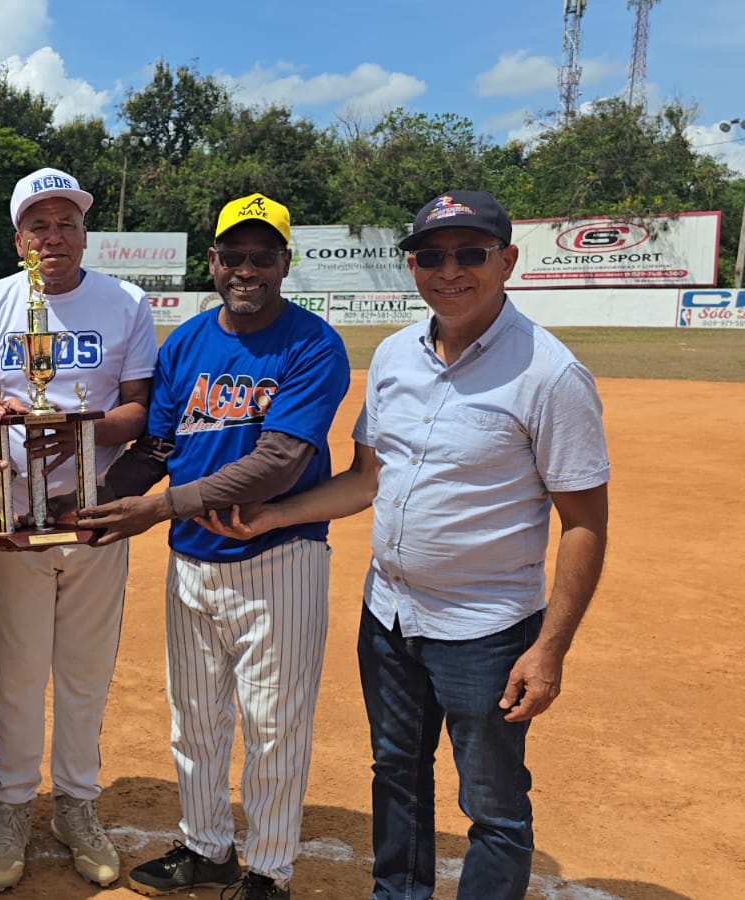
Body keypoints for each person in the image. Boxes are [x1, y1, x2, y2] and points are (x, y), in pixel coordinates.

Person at [203, 190, 611, 900]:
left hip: (486, 631)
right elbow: (366, 480)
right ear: (413, 265)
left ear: (507, 260)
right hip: (389, 616)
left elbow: (585, 523)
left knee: (493, 806)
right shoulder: (395, 356)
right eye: (430, 255)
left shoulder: (551, 374)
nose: (448, 270)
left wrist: (549, 649)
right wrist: (273, 515)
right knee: (396, 773)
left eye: (469, 253)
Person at [76, 194, 350, 900]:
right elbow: (160, 444)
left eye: (264, 257)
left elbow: (281, 460)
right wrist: (88, 505)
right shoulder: (188, 342)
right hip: (190, 559)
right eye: (234, 256)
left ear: (286, 263)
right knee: (194, 719)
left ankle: (268, 870)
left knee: (273, 725)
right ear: (213, 261)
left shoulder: (313, 344)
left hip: (278, 557)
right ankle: (206, 848)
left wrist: (158, 506)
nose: (247, 270)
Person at [0, 167, 158, 890]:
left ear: (83, 234)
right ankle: (12, 805)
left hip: (95, 515)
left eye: (66, 223)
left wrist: (81, 430)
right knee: (14, 673)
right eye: (39, 224)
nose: (53, 236)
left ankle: (76, 803)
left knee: (83, 673)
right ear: (19, 238)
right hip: (15, 517)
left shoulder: (126, 302)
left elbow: (141, 410)